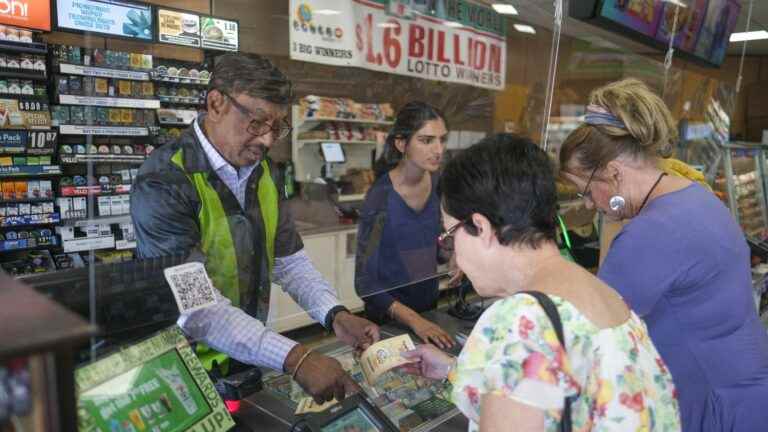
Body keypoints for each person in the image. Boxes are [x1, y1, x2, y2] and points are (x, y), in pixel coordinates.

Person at [131, 53, 380, 404]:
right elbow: (195, 306)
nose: (267, 140)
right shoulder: (165, 180)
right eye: (257, 123)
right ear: (215, 103)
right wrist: (297, 357)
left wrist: (334, 314)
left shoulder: (263, 172)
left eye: (277, 127)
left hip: (243, 361)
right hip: (178, 370)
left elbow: (288, 261)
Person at [401, 134, 680, 431]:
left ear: (481, 227)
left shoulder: (521, 320)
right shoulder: (605, 296)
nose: (454, 252)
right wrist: (452, 370)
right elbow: (560, 386)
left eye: (449, 234)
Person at [558, 78, 768, 431]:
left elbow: (596, 327)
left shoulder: (650, 233)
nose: (589, 203)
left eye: (586, 190)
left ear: (613, 172)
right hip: (746, 390)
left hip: (712, 406)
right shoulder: (695, 196)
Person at [355, 101, 454, 349]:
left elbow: (436, 249)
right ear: (401, 144)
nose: (438, 149)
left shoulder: (440, 183)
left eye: (442, 140)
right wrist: (415, 321)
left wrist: (455, 252)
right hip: (388, 320)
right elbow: (365, 283)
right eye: (426, 140)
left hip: (429, 311)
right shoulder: (380, 197)